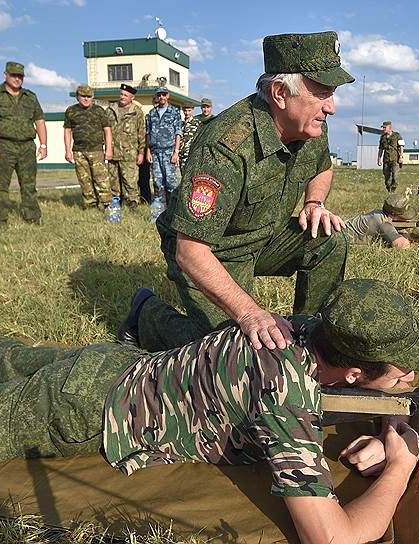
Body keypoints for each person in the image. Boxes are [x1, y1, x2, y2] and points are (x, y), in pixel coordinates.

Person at [0, 279, 419, 544]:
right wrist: (401, 466)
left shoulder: (299, 328)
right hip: (82, 408)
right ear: (351, 371)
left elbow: (348, 388)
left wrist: (388, 418)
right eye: (403, 372)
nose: (410, 380)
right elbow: (332, 539)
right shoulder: (286, 399)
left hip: (116, 365)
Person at [137, 31, 354, 354]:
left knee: (329, 239)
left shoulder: (311, 125)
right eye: (322, 94)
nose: (331, 108)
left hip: (263, 238)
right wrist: (250, 313)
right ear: (280, 93)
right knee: (234, 353)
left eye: (332, 94)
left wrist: (314, 202)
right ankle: (145, 315)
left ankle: (309, 340)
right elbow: (190, 251)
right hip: (214, 252)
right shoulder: (224, 146)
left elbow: (323, 166)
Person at [0, 61, 47, 224]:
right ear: (5, 75)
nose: (17, 79)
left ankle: (32, 217)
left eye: (20, 76)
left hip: (27, 147)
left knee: (29, 185)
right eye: (14, 75)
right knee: (0, 185)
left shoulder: (30, 96)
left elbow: (40, 120)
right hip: (3, 146)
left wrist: (43, 145)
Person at [64, 85, 113, 209]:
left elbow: (107, 130)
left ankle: (106, 204)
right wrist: (67, 151)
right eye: (83, 96)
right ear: (77, 97)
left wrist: (109, 149)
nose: (86, 99)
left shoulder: (99, 111)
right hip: (79, 151)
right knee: (84, 180)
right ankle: (90, 204)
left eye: (89, 96)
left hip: (97, 151)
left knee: (101, 179)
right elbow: (67, 131)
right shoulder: (71, 111)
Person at [107, 83, 146, 209]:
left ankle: (133, 201)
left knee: (130, 179)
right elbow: (105, 130)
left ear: (132, 97)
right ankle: (116, 201)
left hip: (130, 152)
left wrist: (141, 153)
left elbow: (142, 133)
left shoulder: (136, 112)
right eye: (121, 94)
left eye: (125, 95)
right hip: (113, 152)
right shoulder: (110, 110)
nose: (122, 97)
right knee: (113, 179)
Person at [345, 190, 417, 248]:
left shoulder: (379, 213)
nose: (406, 219)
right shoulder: (382, 223)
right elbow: (402, 245)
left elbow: (402, 233)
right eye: (403, 216)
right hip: (341, 239)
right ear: (393, 215)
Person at [145, 86, 182, 202]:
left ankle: (171, 208)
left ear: (168, 96)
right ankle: (158, 209)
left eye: (164, 94)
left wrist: (176, 152)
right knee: (157, 181)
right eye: (159, 95)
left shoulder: (174, 112)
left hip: (169, 151)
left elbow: (178, 133)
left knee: (171, 183)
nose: (161, 97)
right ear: (156, 96)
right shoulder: (151, 113)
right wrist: (148, 151)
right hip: (155, 152)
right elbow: (148, 133)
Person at [377, 121, 404, 193]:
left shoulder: (397, 135)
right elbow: (380, 149)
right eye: (383, 127)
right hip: (386, 160)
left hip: (395, 159)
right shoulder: (383, 137)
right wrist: (379, 158)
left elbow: (401, 146)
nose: (383, 129)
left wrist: (401, 156)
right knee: (386, 177)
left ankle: (393, 189)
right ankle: (388, 188)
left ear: (390, 127)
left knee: (395, 176)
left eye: (385, 127)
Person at [178, 103, 198, 168]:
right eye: (185, 111)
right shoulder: (180, 124)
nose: (187, 113)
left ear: (193, 110)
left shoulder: (197, 124)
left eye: (189, 111)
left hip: (190, 155)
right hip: (181, 155)